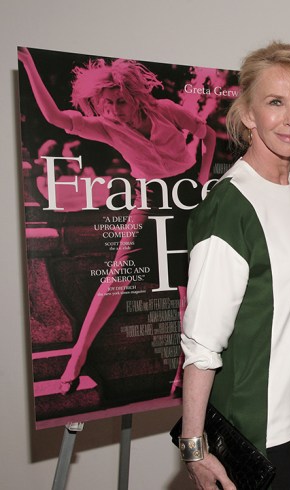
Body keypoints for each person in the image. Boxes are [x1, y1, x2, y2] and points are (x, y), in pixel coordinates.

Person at [18, 47, 216, 395]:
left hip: (187, 196)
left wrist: (201, 179)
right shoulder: (108, 128)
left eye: (119, 101)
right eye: (107, 103)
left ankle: (182, 375)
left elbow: (207, 136)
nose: (113, 110)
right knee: (117, 277)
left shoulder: (167, 111)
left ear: (134, 95)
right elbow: (56, 118)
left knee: (188, 288)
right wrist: (28, 63)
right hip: (150, 197)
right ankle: (76, 357)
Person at [179, 42, 290, 490]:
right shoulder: (231, 206)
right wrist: (194, 448)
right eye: (275, 103)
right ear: (247, 114)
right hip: (258, 432)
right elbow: (202, 343)